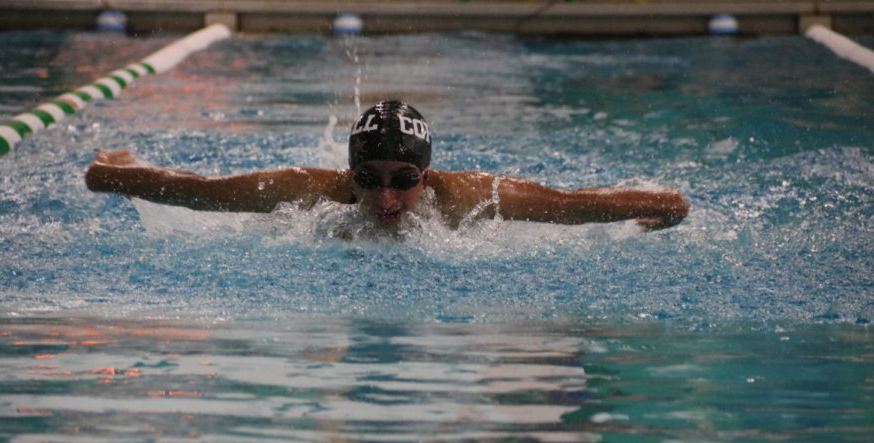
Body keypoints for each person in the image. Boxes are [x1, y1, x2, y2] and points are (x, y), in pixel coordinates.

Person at [85, 100, 689, 232]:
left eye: (404, 181)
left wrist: (661, 205)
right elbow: (197, 193)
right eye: (368, 180)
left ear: (427, 174)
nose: (386, 200)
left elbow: (569, 205)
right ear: (350, 175)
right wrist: (113, 174)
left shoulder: (469, 196)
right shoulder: (310, 192)